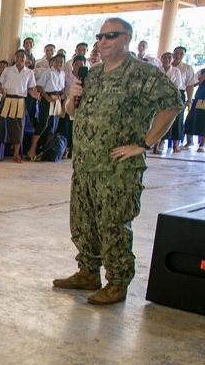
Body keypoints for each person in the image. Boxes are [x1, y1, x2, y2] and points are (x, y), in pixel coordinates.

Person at [55, 18, 182, 305]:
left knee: (113, 225)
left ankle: (117, 281)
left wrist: (144, 144)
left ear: (127, 38)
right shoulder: (93, 74)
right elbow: (71, 113)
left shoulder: (142, 74)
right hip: (85, 165)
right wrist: (72, 99)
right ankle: (88, 271)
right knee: (83, 223)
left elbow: (173, 103)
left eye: (110, 35)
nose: (103, 41)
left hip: (117, 169)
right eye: (100, 36)